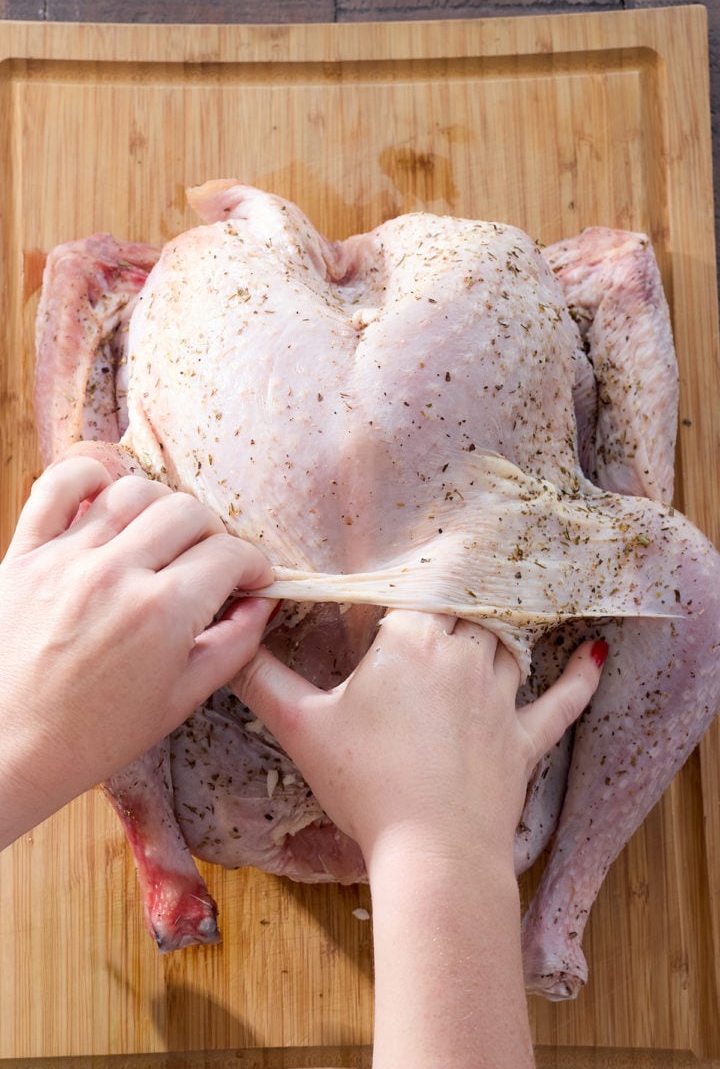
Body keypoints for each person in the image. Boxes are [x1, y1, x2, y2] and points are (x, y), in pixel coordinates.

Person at [0, 455, 605, 1068]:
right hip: (492, 770)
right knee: (685, 576)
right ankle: (565, 905)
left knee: (92, 485)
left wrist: (21, 727)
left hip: (207, 744)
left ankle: (157, 841)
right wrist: (447, 848)